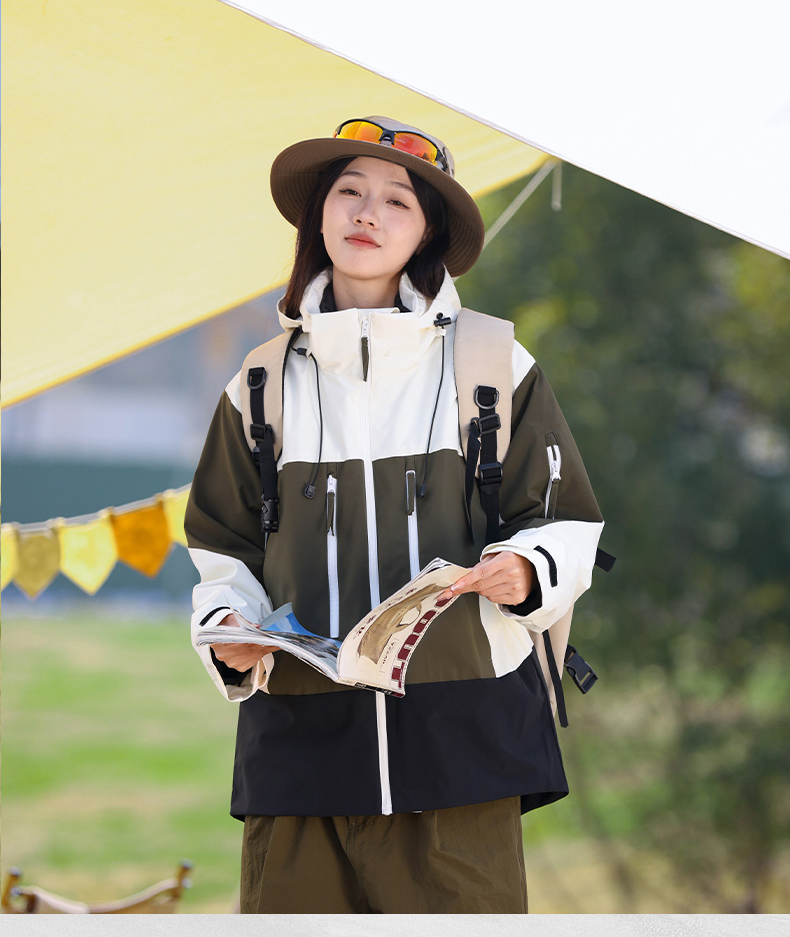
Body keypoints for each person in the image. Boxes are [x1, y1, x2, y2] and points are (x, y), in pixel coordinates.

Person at [185, 116, 605, 914]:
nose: (367, 213)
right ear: (318, 215)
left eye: (397, 201)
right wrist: (228, 631)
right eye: (349, 191)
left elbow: (567, 521)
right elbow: (222, 550)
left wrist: (529, 568)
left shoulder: (494, 364)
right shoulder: (258, 386)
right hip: (298, 764)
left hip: (464, 756)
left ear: (428, 233)